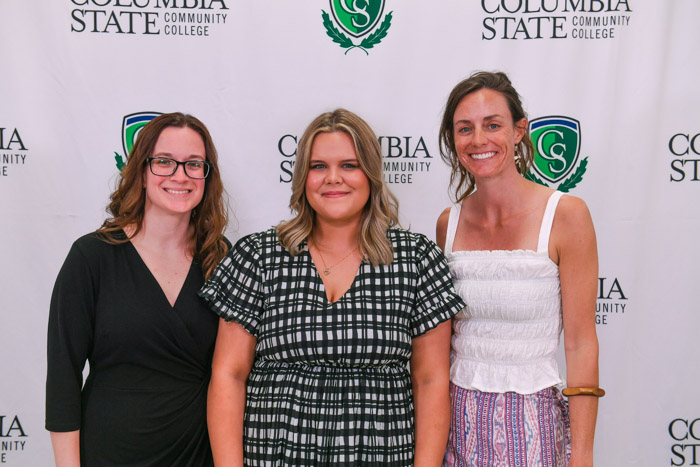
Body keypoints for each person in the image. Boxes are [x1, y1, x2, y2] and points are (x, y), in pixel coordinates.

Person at [200, 108, 466, 466]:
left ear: (371, 174)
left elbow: (431, 380)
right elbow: (228, 375)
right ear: (302, 176)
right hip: (273, 455)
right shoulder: (259, 256)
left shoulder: (415, 258)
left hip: (382, 455)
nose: (333, 178)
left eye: (349, 165)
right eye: (319, 166)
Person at [436, 72, 601, 466]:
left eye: (493, 125)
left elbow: (580, 344)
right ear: (453, 139)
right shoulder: (448, 223)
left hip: (534, 425)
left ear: (518, 131)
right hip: (455, 425)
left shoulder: (566, 215)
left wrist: (583, 454)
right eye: (465, 128)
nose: (479, 140)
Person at [46, 112, 229, 466]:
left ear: (207, 176)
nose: (180, 175)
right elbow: (63, 378)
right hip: (109, 453)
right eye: (164, 162)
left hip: (196, 453)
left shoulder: (221, 258)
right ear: (142, 172)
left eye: (194, 164)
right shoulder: (91, 257)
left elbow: (233, 376)